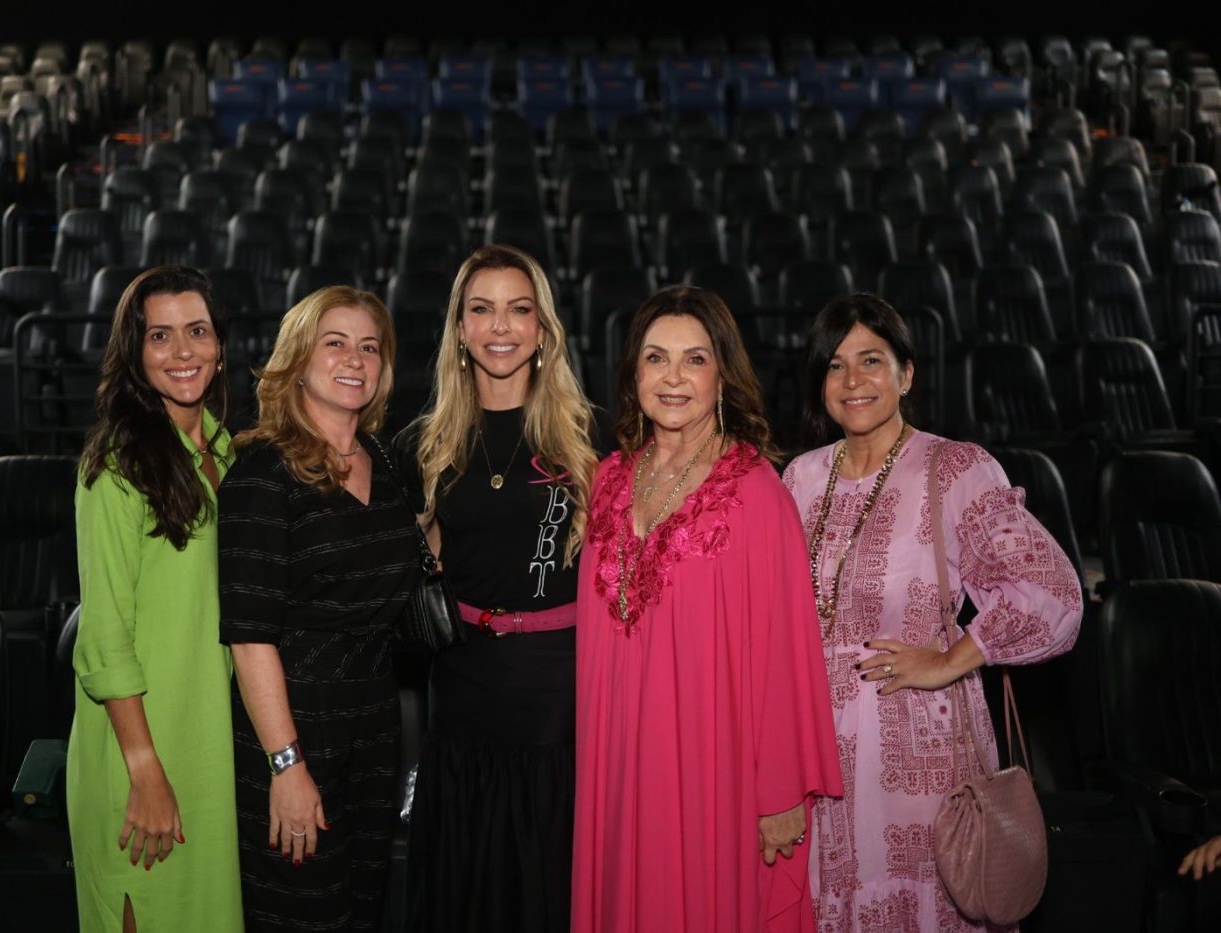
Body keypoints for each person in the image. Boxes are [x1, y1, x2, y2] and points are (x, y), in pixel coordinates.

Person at [781, 293, 1083, 932]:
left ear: (906, 373)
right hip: (816, 756)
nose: (854, 380)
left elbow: (1052, 594)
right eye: (835, 366)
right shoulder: (800, 480)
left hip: (921, 754)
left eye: (871, 360)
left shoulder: (956, 468)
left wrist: (951, 659)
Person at [573, 286, 843, 933]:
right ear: (632, 372)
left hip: (711, 772)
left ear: (722, 373)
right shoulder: (608, 478)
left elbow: (786, 653)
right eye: (655, 358)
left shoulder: (755, 491)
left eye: (693, 359)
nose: (672, 377)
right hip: (617, 766)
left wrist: (779, 793)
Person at [397, 244, 602, 932]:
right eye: (481, 309)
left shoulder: (587, 439)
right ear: (459, 328)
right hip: (461, 689)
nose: (501, 326)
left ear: (543, 328)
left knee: (545, 884)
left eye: (519, 309)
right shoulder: (425, 445)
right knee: (468, 888)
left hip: (558, 695)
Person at [217, 286, 421, 932]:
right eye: (335, 342)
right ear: (299, 358)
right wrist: (287, 764)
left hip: (375, 736)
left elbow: (410, 560)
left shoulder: (384, 461)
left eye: (369, 346)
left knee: (361, 911)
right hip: (294, 735)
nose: (354, 359)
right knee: (300, 916)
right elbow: (249, 638)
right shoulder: (261, 470)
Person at [68, 265, 243, 933]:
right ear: (135, 354)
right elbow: (104, 635)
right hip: (137, 748)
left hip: (206, 745)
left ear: (220, 347)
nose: (182, 352)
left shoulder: (226, 453)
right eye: (159, 336)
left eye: (197, 331)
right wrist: (144, 769)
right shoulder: (114, 466)